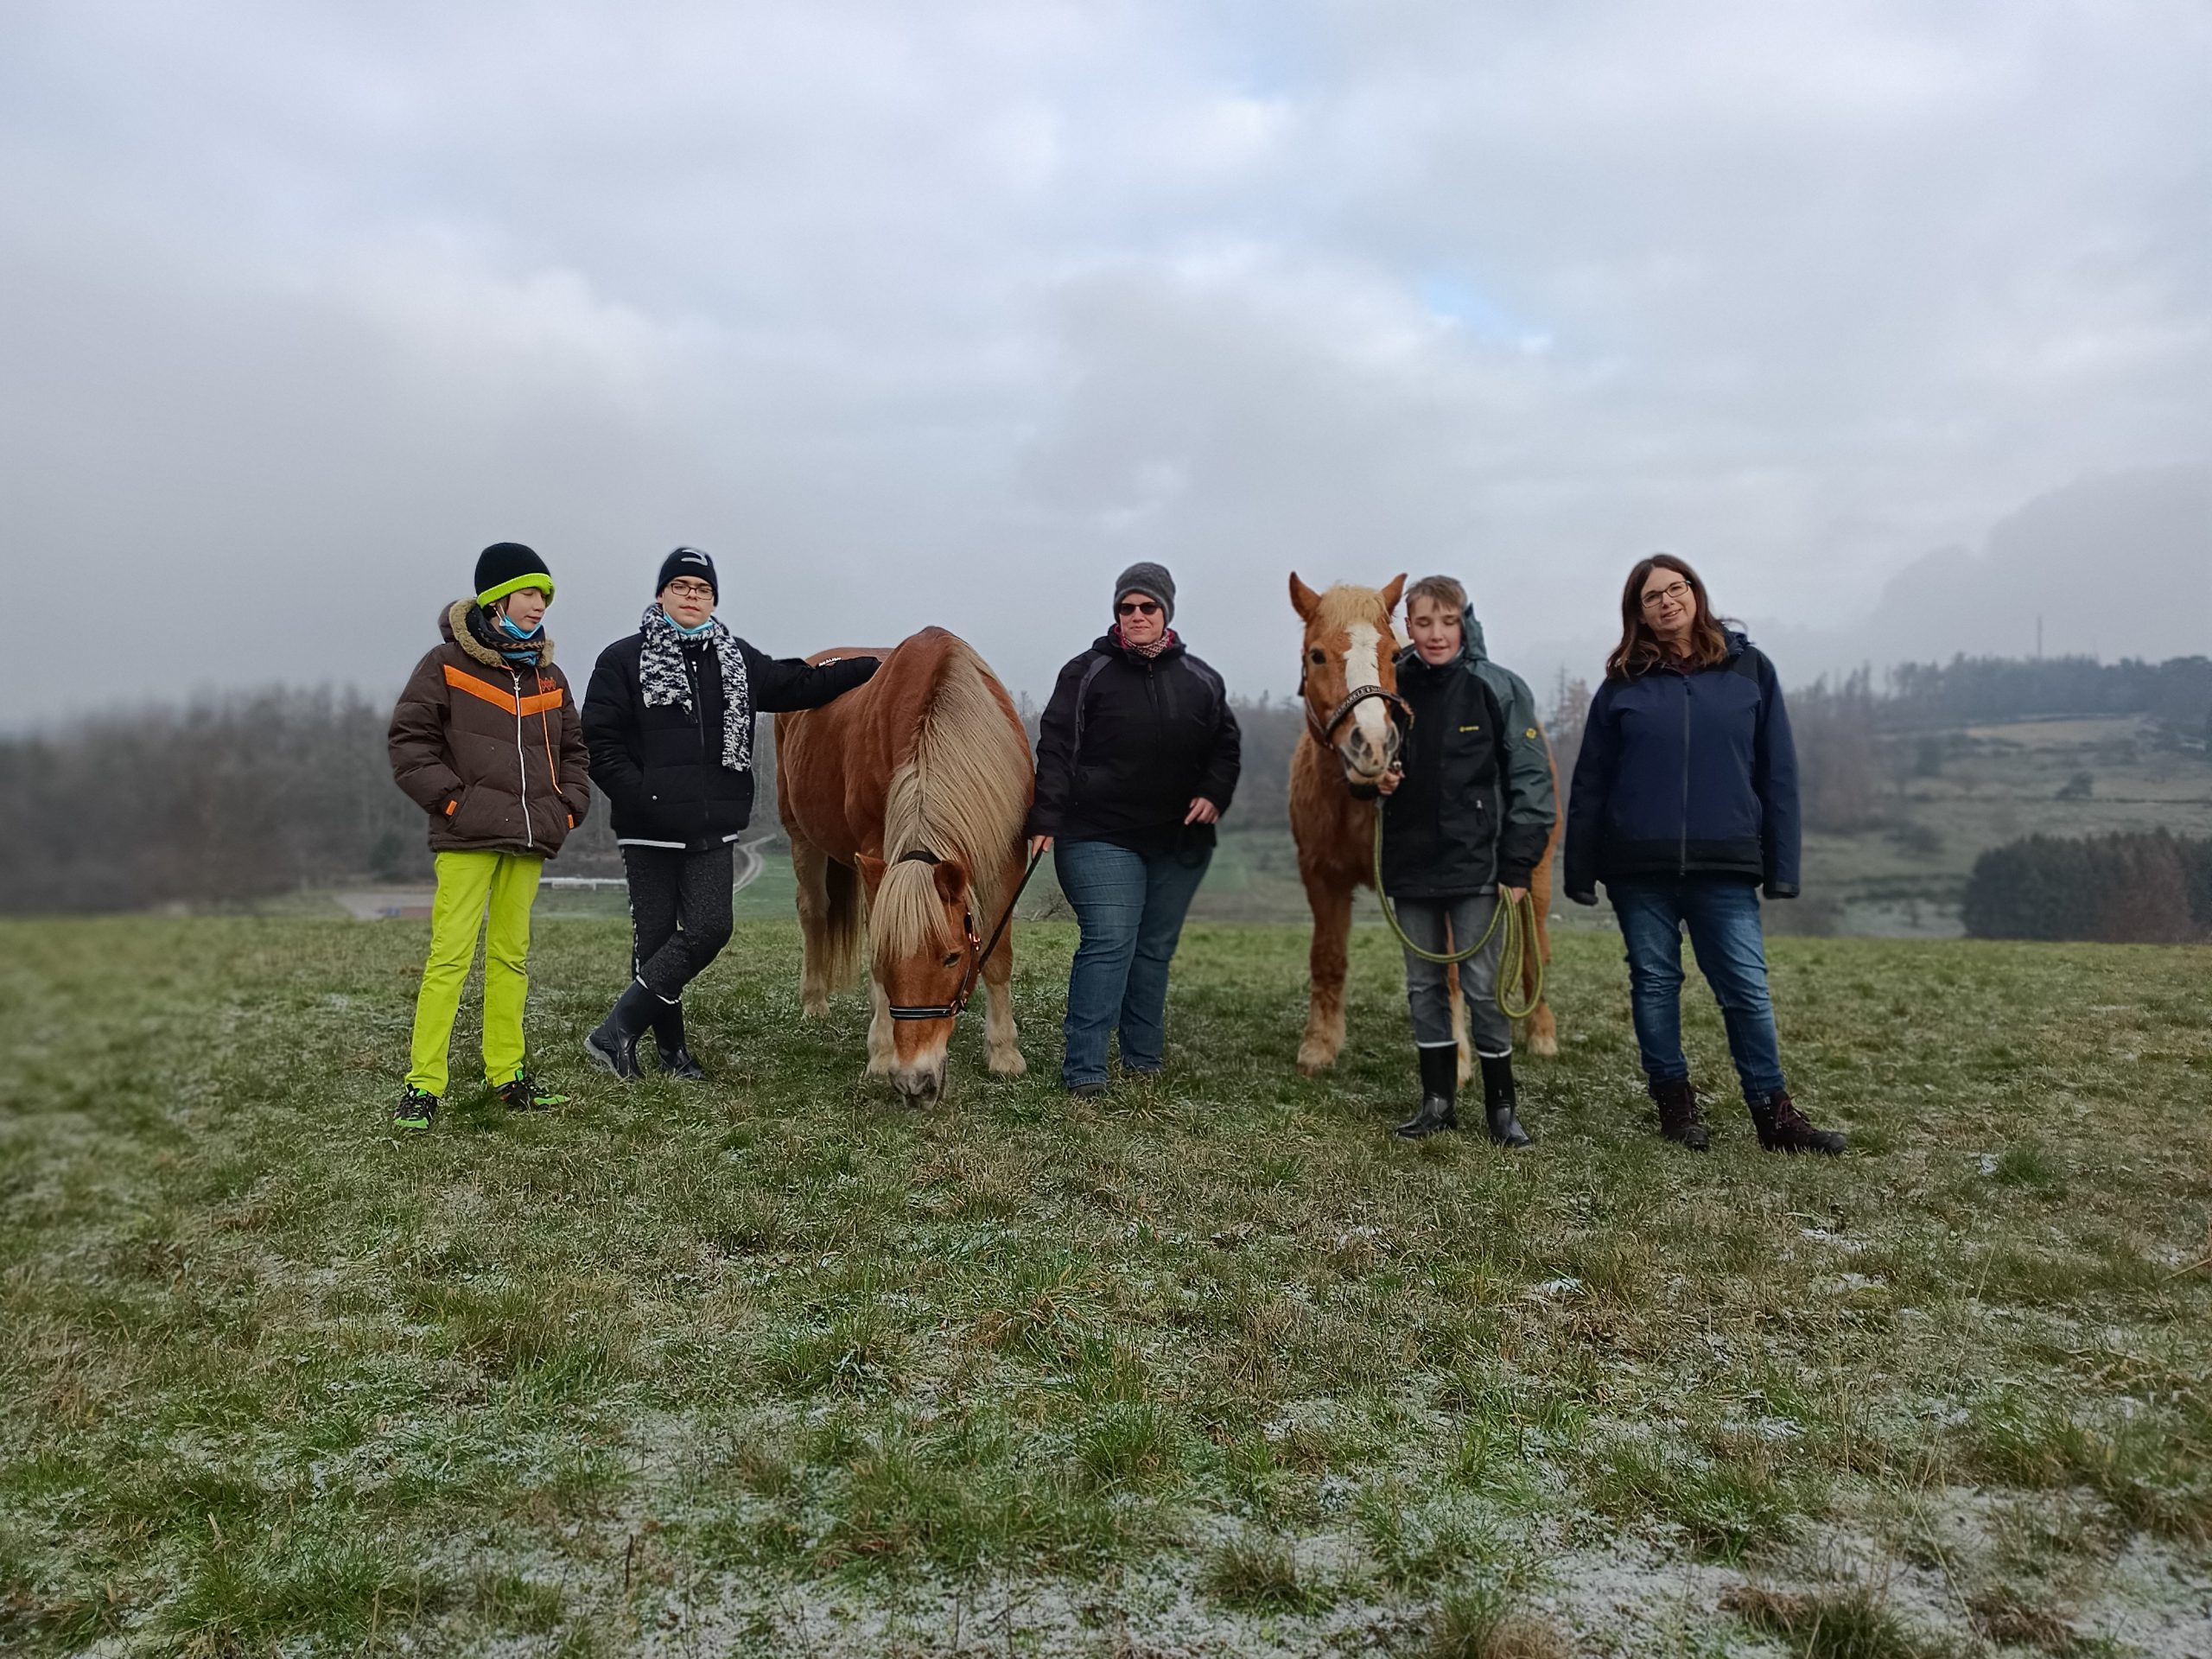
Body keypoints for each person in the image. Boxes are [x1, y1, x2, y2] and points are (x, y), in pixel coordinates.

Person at [1563, 553, 1845, 1154]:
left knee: (1745, 987)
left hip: (1726, 863)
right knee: (1656, 984)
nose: (1668, 601)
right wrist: (1580, 870)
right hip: (1638, 866)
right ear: (1637, 614)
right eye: (1652, 597)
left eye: (1677, 588)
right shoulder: (1621, 687)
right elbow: (1590, 781)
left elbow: (1778, 774)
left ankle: (1775, 1116)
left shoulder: (1750, 671)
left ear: (1696, 593)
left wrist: (1783, 868)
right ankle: (1675, 1106)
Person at [581, 547, 880, 1079]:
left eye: (703, 590)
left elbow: (798, 684)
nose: (692, 597)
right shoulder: (622, 660)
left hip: (711, 827)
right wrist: (643, 797)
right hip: (648, 830)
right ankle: (670, 1054)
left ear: (713, 600)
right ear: (661, 594)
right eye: (681, 587)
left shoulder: (734, 659)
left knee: (710, 928)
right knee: (654, 942)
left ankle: (615, 1030)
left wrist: (874, 667)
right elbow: (599, 744)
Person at [387, 542, 592, 1129]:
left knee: (511, 959)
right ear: (496, 598)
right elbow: (410, 745)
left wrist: (568, 810)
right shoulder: (444, 664)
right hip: (466, 838)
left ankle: (508, 1075)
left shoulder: (550, 675)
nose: (540, 605)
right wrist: (454, 802)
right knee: (448, 959)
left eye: (545, 596)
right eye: (530, 592)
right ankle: (423, 1086)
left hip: (530, 840)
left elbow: (576, 752)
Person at [1027, 563, 1241, 1096]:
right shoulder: (1086, 672)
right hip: (1098, 832)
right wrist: (1045, 818)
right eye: (1128, 607)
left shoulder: (1201, 678)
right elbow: (1055, 746)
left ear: (1166, 610)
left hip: (1176, 839)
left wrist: (1214, 791)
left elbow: (1226, 745)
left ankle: (1143, 1059)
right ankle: (1086, 1070)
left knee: (1152, 949)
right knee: (1111, 939)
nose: (1137, 616)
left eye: (1148, 607)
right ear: (1116, 612)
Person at [1374, 576, 1555, 1145]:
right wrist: (1370, 781)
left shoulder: (1497, 687)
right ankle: (1436, 1102)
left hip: (1480, 866)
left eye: (1446, 622)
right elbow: (1357, 763)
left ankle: (1502, 1109)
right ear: (1409, 625)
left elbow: (1530, 779)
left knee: (1481, 984)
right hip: (1409, 860)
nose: (1434, 635)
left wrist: (1519, 864)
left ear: (1463, 623)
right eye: (1422, 623)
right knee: (1424, 985)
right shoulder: (1391, 686)